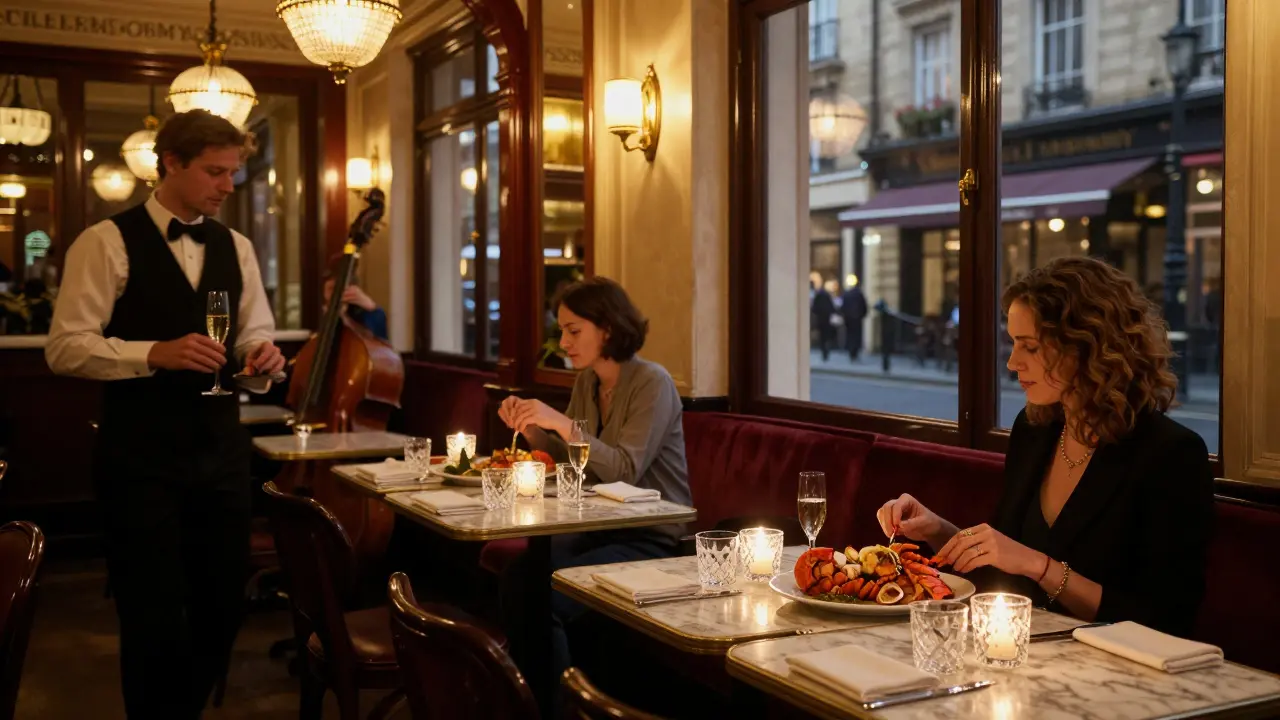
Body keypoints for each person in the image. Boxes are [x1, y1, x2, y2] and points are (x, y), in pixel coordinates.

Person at [46, 109, 286, 718]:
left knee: (222, 608)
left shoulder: (237, 246)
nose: (228, 186)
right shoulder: (105, 242)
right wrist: (152, 352)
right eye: (215, 172)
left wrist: (260, 357)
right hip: (139, 459)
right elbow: (66, 347)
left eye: (234, 172)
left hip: (222, 454)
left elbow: (252, 333)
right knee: (150, 616)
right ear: (171, 164)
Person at [877, 257, 1213, 637]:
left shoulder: (1170, 454)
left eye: (1030, 347)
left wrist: (1039, 565)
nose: (1011, 362)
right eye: (1013, 344)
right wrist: (937, 530)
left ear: (1088, 346)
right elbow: (1006, 562)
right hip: (1028, 649)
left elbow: (1164, 622)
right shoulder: (1036, 429)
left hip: (1116, 670)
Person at [496, 276, 691, 690]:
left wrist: (560, 422)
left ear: (608, 328)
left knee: (541, 592)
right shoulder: (589, 382)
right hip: (599, 527)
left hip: (651, 536)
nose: (564, 342)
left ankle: (560, 707)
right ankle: (525, 700)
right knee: (519, 576)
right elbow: (573, 458)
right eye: (561, 330)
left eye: (573, 330)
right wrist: (529, 425)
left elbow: (623, 468)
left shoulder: (652, 382)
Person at [321, 253, 388, 341]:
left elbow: (378, 343)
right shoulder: (316, 311)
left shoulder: (364, 311)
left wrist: (372, 308)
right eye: (332, 287)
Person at [840, 277, 868, 361]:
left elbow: (843, 307)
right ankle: (855, 352)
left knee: (850, 335)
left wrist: (845, 316)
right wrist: (862, 315)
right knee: (856, 335)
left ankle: (851, 351)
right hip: (857, 318)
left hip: (848, 319)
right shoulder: (859, 294)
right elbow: (864, 307)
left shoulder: (846, 294)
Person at [811, 281, 836, 362]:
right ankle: (826, 351)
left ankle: (823, 351)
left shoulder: (818, 297)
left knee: (822, 337)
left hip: (820, 319)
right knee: (826, 336)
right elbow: (832, 307)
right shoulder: (827, 296)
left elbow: (814, 308)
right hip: (827, 319)